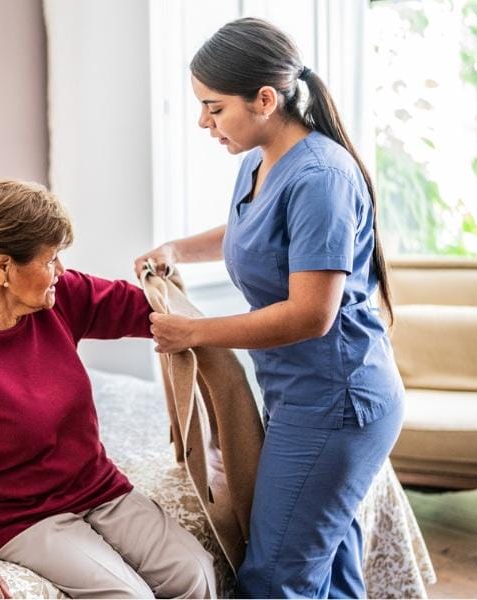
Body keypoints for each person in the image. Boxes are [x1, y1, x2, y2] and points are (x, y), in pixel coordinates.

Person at [134, 17, 405, 599]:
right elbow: (248, 230)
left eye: (213, 107)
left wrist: (194, 332)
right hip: (302, 394)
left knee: (276, 576)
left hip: (338, 401)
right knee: (328, 571)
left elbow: (312, 314)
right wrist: (178, 248)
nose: (203, 123)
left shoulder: (321, 177)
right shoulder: (258, 161)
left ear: (265, 99)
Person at [0, 180, 216, 600]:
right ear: (3, 268)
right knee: (127, 596)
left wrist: (176, 296)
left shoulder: (57, 297)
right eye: (51, 258)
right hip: (12, 514)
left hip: (94, 484)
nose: (61, 269)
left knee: (195, 573)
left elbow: (144, 311)